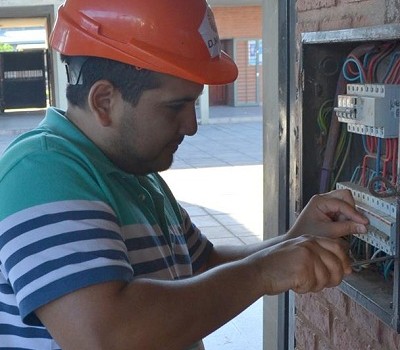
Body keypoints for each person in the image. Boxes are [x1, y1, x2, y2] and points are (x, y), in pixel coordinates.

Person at [0, 0, 368, 349]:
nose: (192, 126)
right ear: (104, 101)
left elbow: (201, 265)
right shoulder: (40, 170)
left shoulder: (136, 172)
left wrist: (294, 239)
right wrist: (263, 273)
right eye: (176, 106)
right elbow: (105, 337)